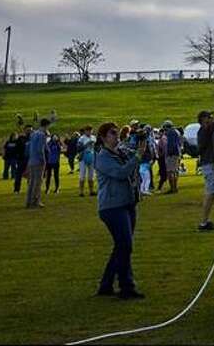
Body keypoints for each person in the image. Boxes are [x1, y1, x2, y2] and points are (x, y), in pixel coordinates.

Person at [94, 121, 146, 299]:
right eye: (112, 133)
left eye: (117, 133)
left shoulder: (121, 152)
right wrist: (137, 156)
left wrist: (141, 144)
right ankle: (127, 286)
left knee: (121, 246)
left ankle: (106, 285)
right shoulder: (103, 157)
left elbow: (139, 160)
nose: (116, 136)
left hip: (127, 203)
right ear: (103, 137)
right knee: (125, 245)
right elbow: (121, 173)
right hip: (112, 206)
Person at [26, 115, 55, 208]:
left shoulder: (33, 133)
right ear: (46, 125)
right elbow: (40, 149)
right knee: (38, 182)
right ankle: (35, 201)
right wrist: (43, 160)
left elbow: (30, 147)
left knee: (31, 182)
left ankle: (29, 201)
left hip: (31, 160)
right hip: (38, 161)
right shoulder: (42, 135)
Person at [162, 121, 182, 194]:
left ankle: (172, 188)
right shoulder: (176, 132)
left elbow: (171, 144)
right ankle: (175, 187)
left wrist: (169, 153)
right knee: (175, 171)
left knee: (170, 171)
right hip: (177, 153)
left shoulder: (170, 133)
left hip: (171, 154)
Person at [79, 128, 98, 197]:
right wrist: (86, 144)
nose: (89, 132)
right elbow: (78, 148)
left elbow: (96, 147)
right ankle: (81, 191)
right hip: (83, 157)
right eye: (88, 130)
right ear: (85, 131)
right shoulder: (81, 138)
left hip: (92, 156)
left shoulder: (94, 137)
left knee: (91, 175)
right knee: (82, 175)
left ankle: (91, 190)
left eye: (90, 130)